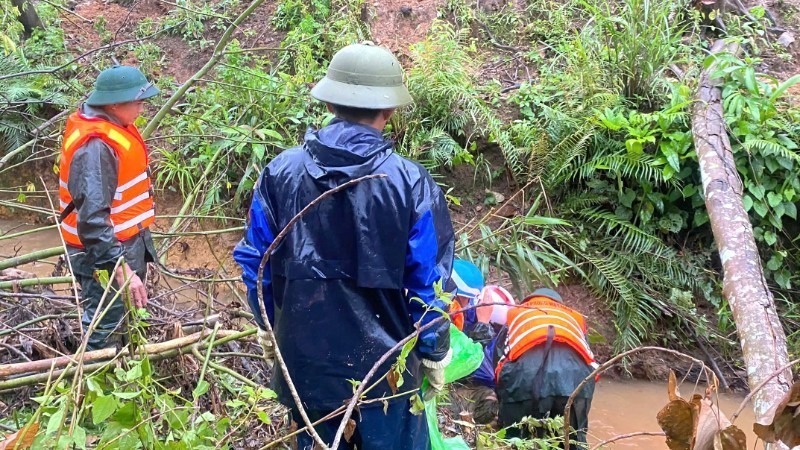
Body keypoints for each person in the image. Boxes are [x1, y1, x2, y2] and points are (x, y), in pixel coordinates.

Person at [233, 42, 455, 450]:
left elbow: (256, 262)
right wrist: (434, 350)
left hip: (306, 367)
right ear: (389, 111)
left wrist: (267, 325)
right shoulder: (410, 183)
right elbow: (429, 282)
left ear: (331, 103)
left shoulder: (281, 173)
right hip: (387, 373)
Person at [58, 65, 159, 350]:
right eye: (138, 101)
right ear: (114, 104)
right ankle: (96, 385)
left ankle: (125, 382)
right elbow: (91, 220)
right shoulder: (96, 147)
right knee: (106, 328)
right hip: (103, 254)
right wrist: (120, 267)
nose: (143, 107)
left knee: (128, 320)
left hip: (122, 245)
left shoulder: (116, 127)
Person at [492, 288, 597, 446]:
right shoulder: (574, 318)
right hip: (575, 381)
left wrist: (502, 410)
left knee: (517, 439)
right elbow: (589, 361)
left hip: (524, 378)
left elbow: (498, 360)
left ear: (529, 300)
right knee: (572, 440)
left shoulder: (516, 313)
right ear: (559, 303)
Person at [449, 259, 485, 332]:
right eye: (466, 298)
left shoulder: (467, 313)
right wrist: (483, 323)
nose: (469, 303)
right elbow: (459, 341)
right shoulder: (444, 320)